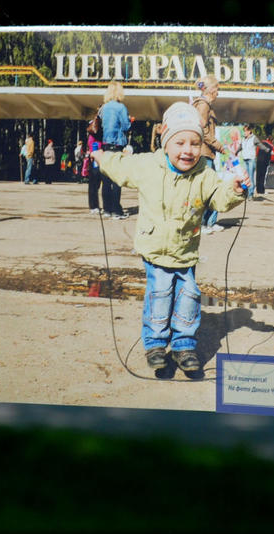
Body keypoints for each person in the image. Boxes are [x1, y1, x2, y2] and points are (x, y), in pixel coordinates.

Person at [90, 101, 246, 374]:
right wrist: (102, 157)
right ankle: (156, 344)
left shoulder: (204, 174)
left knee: (188, 296)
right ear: (165, 142)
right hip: (155, 249)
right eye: (180, 142)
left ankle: (184, 344)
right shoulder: (149, 165)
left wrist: (233, 190)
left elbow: (219, 198)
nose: (188, 150)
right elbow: (122, 167)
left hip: (185, 251)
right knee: (160, 294)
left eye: (195, 143)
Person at [192, 75, 229, 234]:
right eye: (217, 89)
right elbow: (203, 131)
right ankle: (202, 225)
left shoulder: (203, 104)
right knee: (208, 190)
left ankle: (209, 223)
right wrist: (219, 146)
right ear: (211, 89)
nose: (218, 93)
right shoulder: (203, 105)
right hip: (204, 154)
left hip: (206, 153)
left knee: (211, 188)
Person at [99, 81, 131, 219]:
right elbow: (126, 126)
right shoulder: (121, 107)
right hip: (117, 144)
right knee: (116, 178)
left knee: (106, 178)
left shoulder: (104, 108)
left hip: (105, 144)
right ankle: (116, 211)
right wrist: (130, 121)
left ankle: (106, 209)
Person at [85, 114, 103, 213]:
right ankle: (93, 206)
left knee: (96, 184)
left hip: (97, 159)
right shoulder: (93, 134)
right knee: (94, 184)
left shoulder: (97, 134)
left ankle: (94, 206)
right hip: (95, 160)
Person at [239, 124, 263, 199]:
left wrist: (267, 149)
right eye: (244, 131)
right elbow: (240, 147)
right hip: (245, 159)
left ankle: (251, 194)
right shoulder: (243, 139)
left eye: (245, 131)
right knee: (245, 177)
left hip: (251, 160)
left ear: (249, 131)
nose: (244, 133)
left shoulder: (254, 138)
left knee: (251, 177)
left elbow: (260, 145)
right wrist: (236, 151)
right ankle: (245, 193)